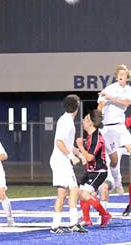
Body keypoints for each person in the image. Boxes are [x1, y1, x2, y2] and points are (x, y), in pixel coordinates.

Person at [49, 94, 86, 233]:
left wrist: (79, 154)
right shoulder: (66, 121)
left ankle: (59, 225)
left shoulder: (66, 120)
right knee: (73, 189)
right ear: (77, 107)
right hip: (61, 161)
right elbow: (59, 142)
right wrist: (71, 156)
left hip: (61, 160)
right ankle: (72, 223)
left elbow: (67, 144)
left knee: (63, 192)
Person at [75, 110, 112, 228]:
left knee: (85, 194)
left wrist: (80, 146)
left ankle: (105, 214)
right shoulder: (90, 136)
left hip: (99, 172)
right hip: (91, 171)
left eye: (85, 119)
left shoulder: (97, 138)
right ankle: (86, 219)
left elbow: (90, 157)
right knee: (80, 193)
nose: (83, 121)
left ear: (91, 123)